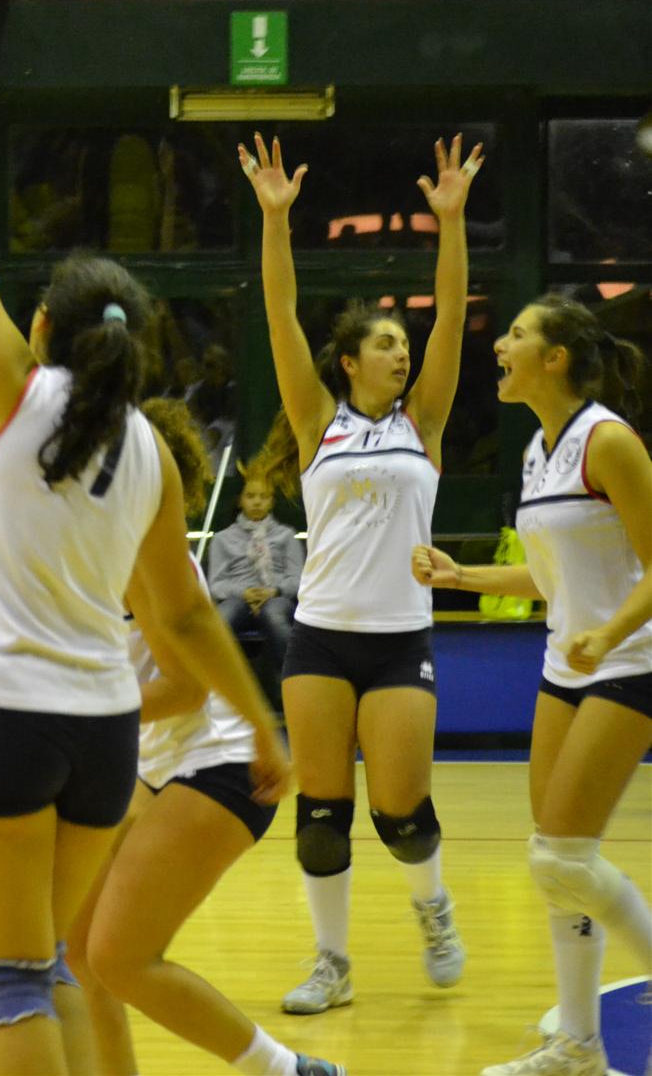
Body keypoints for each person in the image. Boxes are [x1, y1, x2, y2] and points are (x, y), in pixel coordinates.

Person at [0, 1, 290, 1072]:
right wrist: (261, 724)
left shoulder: (11, 399)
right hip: (104, 739)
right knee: (56, 965)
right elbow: (184, 615)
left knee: (10, 978)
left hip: (1, 719)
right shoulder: (158, 456)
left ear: (40, 332)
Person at [0, 398, 343, 1076]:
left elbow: (186, 688)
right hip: (150, 768)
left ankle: (285, 1070)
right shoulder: (78, 540)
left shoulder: (159, 554)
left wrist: (81, 709)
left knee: (118, 958)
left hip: (223, 764)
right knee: (81, 959)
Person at [240, 129, 482, 1013]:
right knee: (318, 823)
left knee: (402, 814)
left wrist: (450, 222)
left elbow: (452, 317)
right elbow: (277, 316)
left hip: (397, 639)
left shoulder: (426, 423)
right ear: (350, 361)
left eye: (403, 346)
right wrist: (276, 222)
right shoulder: (318, 422)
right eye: (386, 344)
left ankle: (433, 909)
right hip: (320, 637)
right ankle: (331, 966)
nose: (403, 353)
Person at [412, 295, 652, 1076]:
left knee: (565, 861)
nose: (500, 346)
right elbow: (548, 578)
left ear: (555, 357)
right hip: (564, 665)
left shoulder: (608, 441)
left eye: (516, 334)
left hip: (630, 661)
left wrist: (610, 633)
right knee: (554, 863)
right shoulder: (536, 452)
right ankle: (579, 1048)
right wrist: (460, 574)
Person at [207, 469, 303, 683]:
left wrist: (274, 591)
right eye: (250, 496)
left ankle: (293, 682)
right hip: (237, 597)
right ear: (240, 500)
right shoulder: (222, 539)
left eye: (264, 496)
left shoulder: (286, 536)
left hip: (277, 596)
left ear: (272, 502)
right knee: (221, 620)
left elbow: (298, 580)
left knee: (275, 616)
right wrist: (245, 593)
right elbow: (216, 584)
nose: (257, 502)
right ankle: (219, 687)